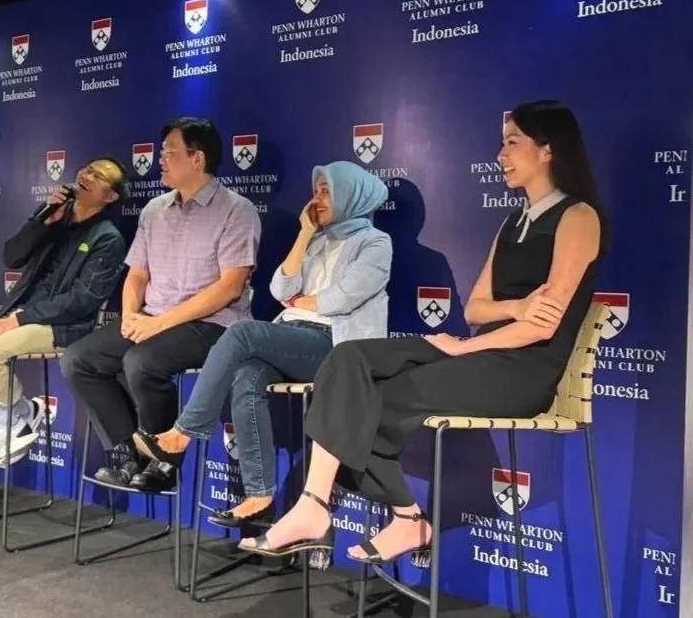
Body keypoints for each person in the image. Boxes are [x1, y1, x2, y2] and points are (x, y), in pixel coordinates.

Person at [237, 100, 608, 565]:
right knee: (348, 357)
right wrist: (511, 307)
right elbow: (476, 306)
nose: (500, 155)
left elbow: (542, 325)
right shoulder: (513, 221)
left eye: (512, 142)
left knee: (374, 403)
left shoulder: (578, 217)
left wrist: (471, 344)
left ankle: (394, 518)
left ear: (549, 150)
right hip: (482, 352)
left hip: (522, 371)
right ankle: (327, 505)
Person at [133, 160, 392, 526]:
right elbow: (280, 289)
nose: (317, 198)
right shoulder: (317, 238)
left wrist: (305, 302)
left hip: (338, 346)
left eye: (326, 191)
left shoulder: (376, 242)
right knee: (246, 377)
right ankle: (259, 497)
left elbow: (343, 298)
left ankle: (182, 434)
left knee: (240, 331)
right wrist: (304, 234)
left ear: (351, 195)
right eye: (315, 190)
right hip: (296, 334)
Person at [61, 117, 261, 492]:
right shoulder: (155, 209)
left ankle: (163, 459)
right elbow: (137, 274)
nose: (161, 160)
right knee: (78, 359)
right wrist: (132, 315)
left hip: (213, 324)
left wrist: (159, 324)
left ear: (196, 158)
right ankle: (126, 452)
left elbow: (229, 288)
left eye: (169, 152)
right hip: (154, 318)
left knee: (142, 361)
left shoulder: (237, 210)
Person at [0, 158, 128, 464]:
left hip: (60, 326)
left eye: (99, 177)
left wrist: (19, 319)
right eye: (88, 170)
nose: (87, 176)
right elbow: (11, 257)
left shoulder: (107, 238)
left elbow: (84, 299)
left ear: (110, 197)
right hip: (14, 312)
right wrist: (41, 223)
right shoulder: (54, 217)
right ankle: (15, 416)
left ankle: (15, 420)